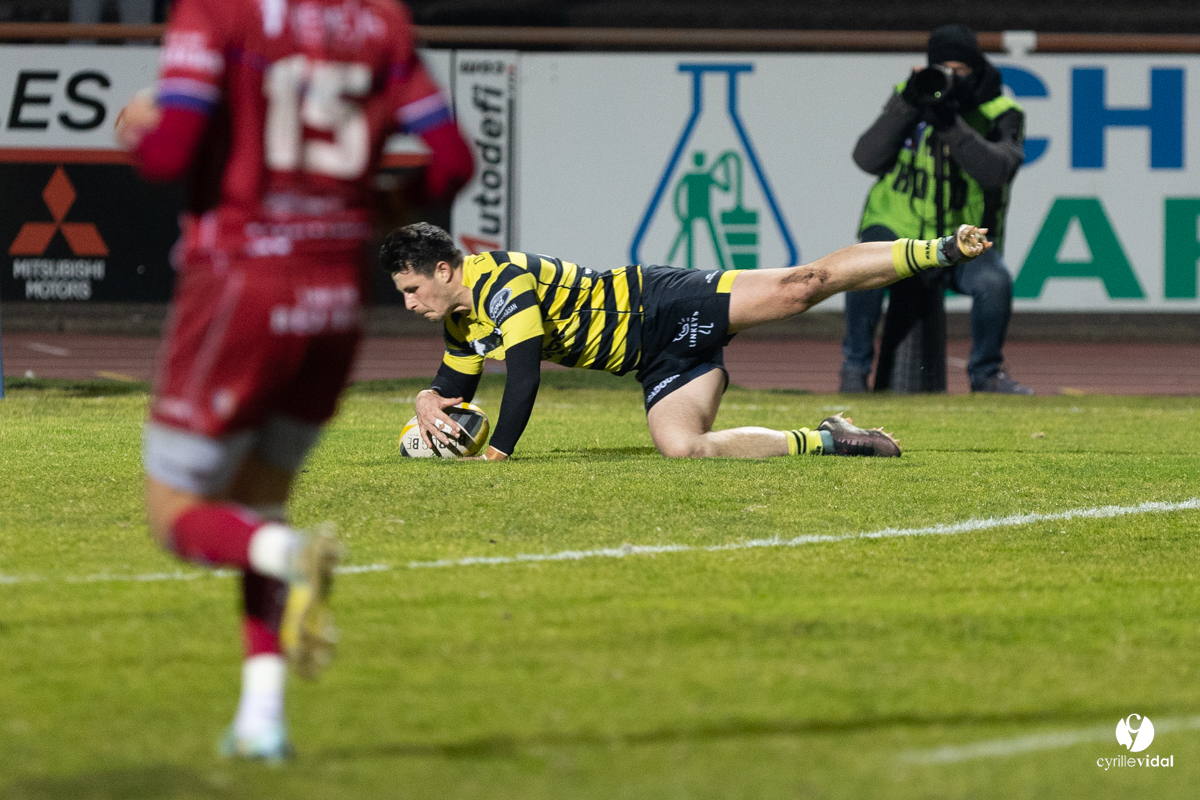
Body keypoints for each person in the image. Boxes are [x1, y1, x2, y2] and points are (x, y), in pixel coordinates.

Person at [115, 0, 473, 761]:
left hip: (241, 289)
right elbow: (451, 162)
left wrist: (137, 127)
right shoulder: (381, 22)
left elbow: (170, 154)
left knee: (178, 513)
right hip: (336, 297)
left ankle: (289, 555)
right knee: (259, 505)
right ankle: (262, 719)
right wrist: (377, 208)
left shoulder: (216, 13)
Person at [381, 221, 992, 462]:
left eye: (411, 288)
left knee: (800, 287)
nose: (409, 305)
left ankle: (936, 250)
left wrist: (497, 455)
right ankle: (832, 439)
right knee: (683, 448)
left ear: (443, 270)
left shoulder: (500, 278)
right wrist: (427, 400)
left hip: (664, 301)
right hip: (655, 358)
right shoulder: (462, 321)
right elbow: (456, 386)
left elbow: (524, 377)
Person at [840, 23, 1033, 395]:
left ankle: (986, 375)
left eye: (960, 71)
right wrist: (907, 105)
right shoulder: (910, 96)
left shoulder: (1000, 111)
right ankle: (853, 370)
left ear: (976, 69)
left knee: (994, 284)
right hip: (896, 224)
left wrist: (950, 124)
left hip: (965, 236)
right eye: (943, 69)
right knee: (859, 270)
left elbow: (996, 173)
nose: (951, 78)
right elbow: (866, 158)